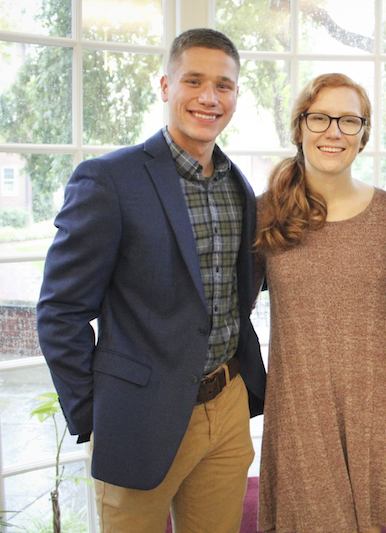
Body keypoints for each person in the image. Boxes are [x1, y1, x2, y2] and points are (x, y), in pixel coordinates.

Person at [36, 28, 266, 532]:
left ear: (235, 96)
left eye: (224, 86)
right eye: (194, 81)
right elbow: (60, 312)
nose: (209, 97)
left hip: (226, 409)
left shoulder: (239, 186)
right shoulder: (109, 180)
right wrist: (96, 415)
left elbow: (236, 292)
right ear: (165, 86)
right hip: (136, 418)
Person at [253, 73, 386, 533]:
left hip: (375, 401)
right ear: (300, 126)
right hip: (300, 402)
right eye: (320, 118)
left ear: (364, 134)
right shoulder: (266, 212)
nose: (334, 131)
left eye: (349, 120)